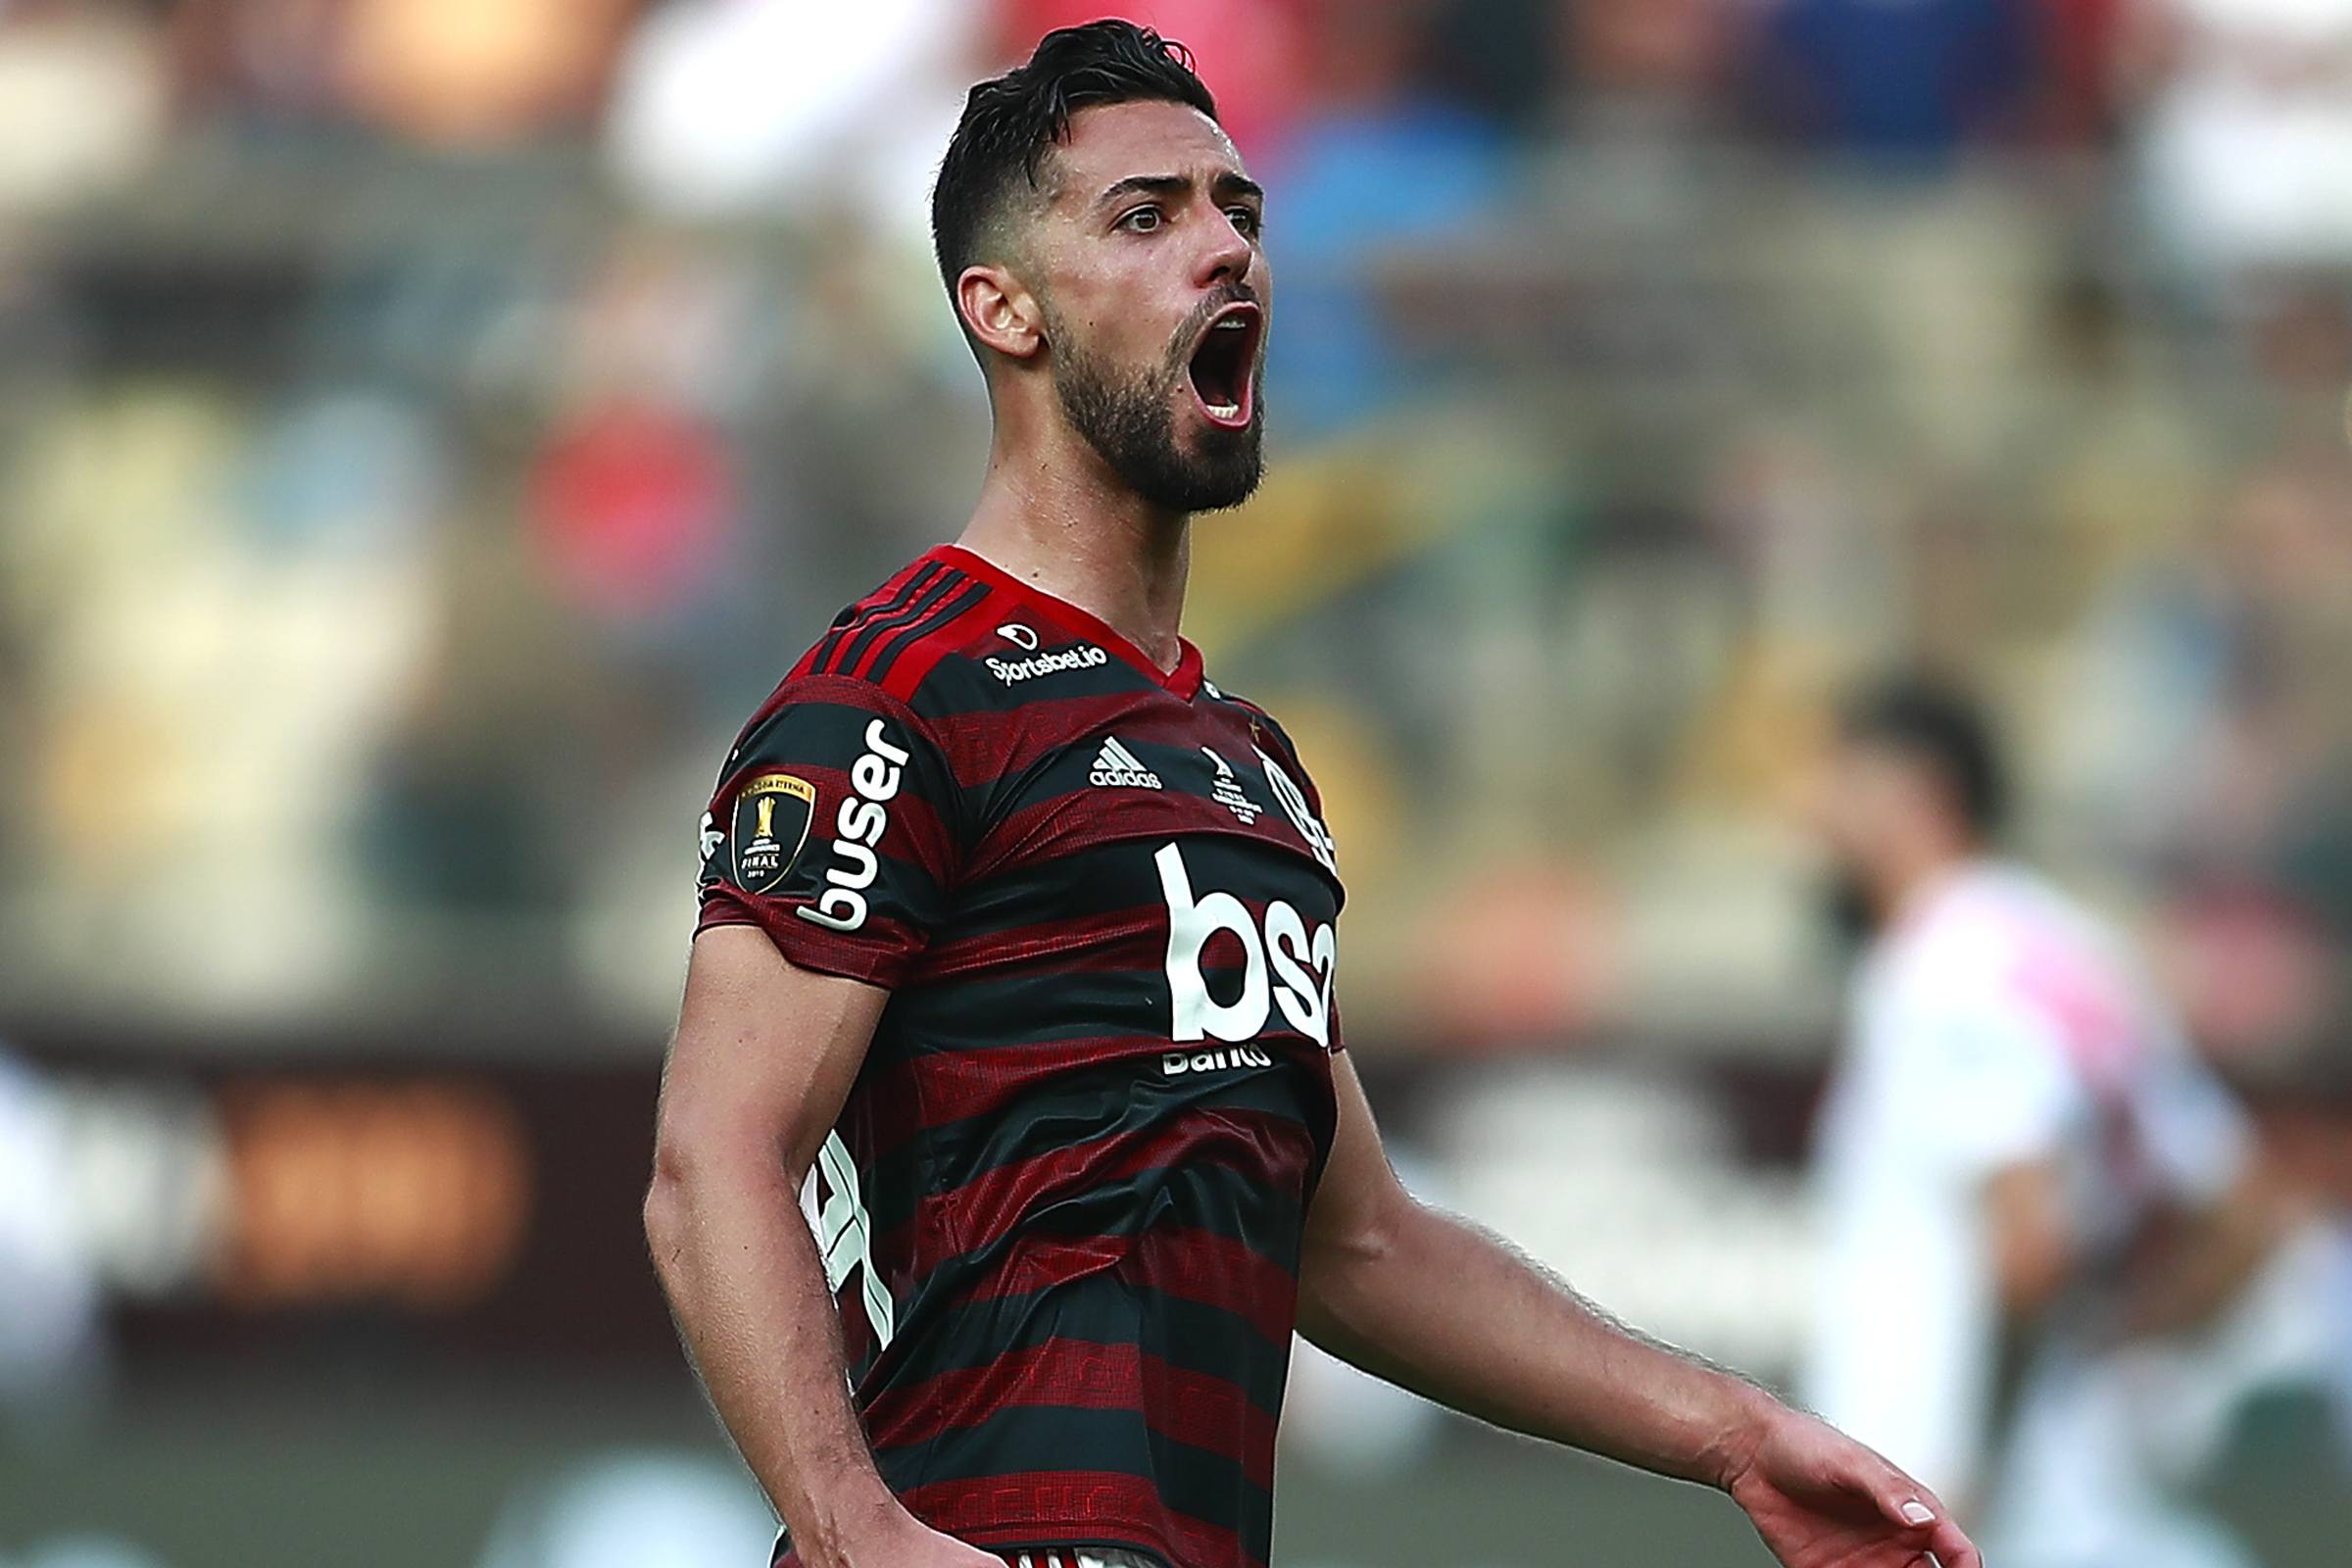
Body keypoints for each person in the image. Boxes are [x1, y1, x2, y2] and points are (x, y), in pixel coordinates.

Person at [643, 23, 1981, 1568]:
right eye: (1144, 217)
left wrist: (1736, 1434)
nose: (1225, 250)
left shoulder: (1250, 769)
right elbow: (713, 1163)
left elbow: (1360, 1244)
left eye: (1240, 212)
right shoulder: (898, 692)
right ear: (1002, 309)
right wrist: (856, 1537)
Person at [1803, 676, 2340, 1568]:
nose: (1815, 814)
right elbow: (2243, 1208)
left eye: (1838, 778)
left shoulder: (1947, 969)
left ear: (1912, 790)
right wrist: (2117, 1356)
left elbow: (2029, 1248)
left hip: (1959, 1507)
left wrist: (1965, 1474)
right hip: (2072, 1491)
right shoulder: (2067, 946)